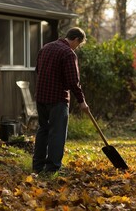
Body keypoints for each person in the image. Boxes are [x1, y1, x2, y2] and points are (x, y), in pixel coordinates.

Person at [33, 27, 89, 174]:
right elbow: (73, 81)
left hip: (41, 97)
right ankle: (52, 168)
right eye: (78, 44)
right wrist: (81, 101)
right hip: (58, 99)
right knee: (57, 133)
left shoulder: (46, 48)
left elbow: (38, 70)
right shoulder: (68, 53)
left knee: (43, 130)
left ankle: (37, 167)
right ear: (76, 39)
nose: (77, 47)